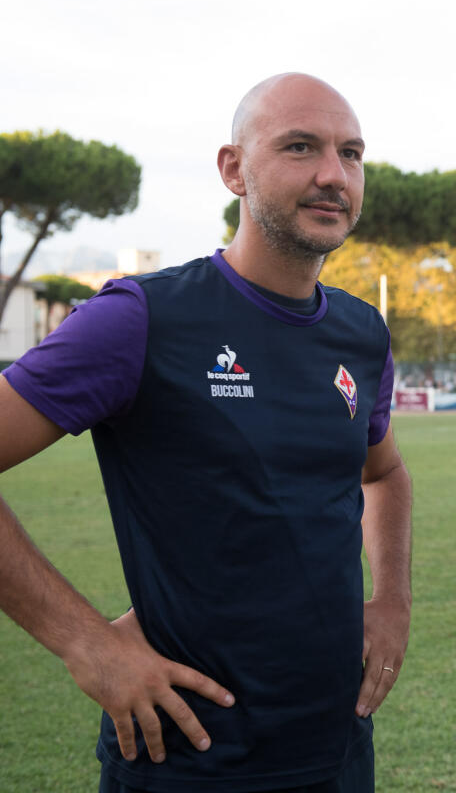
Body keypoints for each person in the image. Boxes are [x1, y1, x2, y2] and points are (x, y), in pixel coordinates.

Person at [0, 73, 412, 792]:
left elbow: (384, 475)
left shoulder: (360, 331)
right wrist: (85, 643)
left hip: (336, 749)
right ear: (234, 170)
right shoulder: (141, 319)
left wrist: (393, 601)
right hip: (185, 760)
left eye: (351, 153)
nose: (332, 174)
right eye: (300, 147)